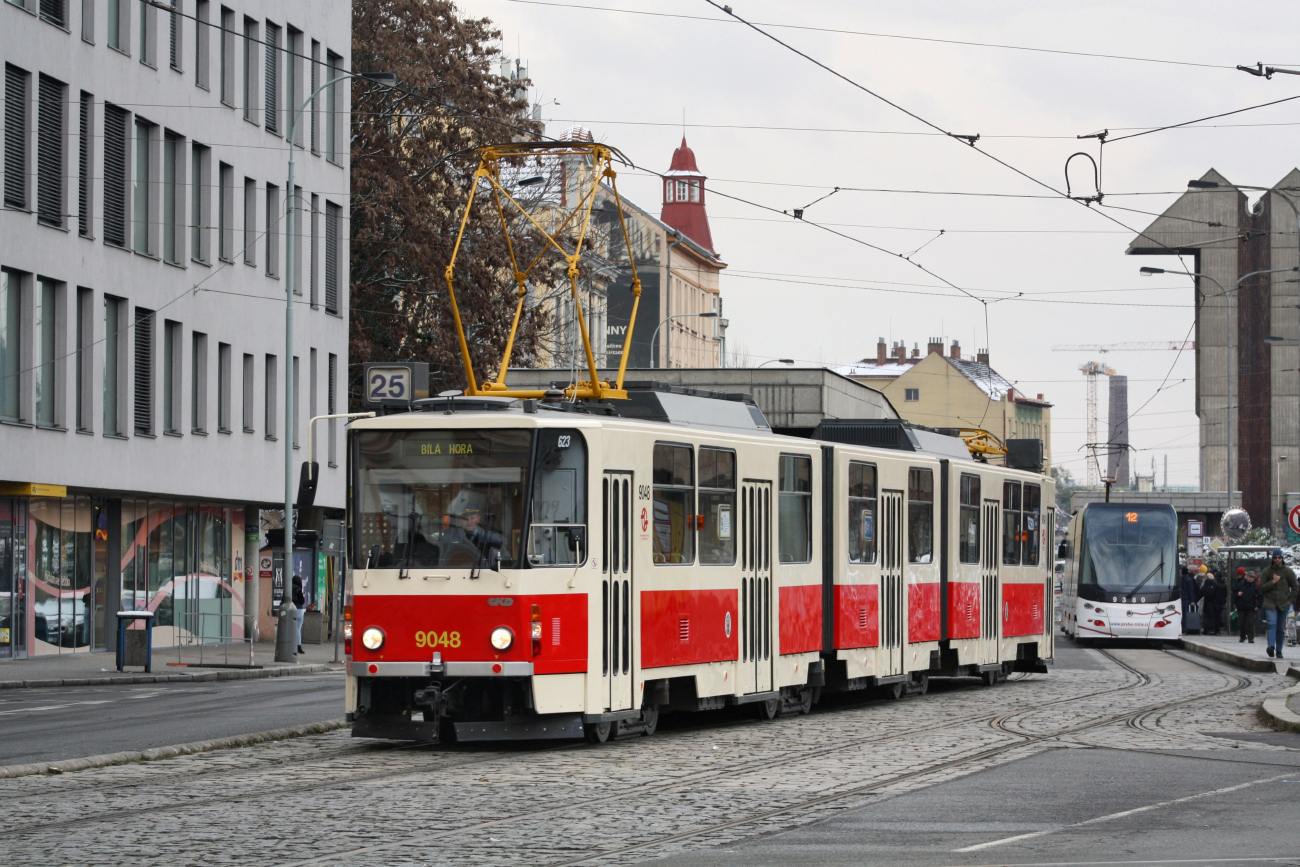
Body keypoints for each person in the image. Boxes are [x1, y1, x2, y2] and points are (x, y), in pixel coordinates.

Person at [1258, 548, 1297, 659]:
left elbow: (1295, 588)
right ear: (1273, 559)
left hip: (1284, 603)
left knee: (1280, 628)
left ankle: (1279, 650)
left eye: (1279, 558)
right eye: (1275, 558)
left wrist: (1290, 600)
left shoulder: (1288, 572)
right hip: (1270, 602)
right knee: (1272, 623)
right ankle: (1271, 646)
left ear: (1282, 558)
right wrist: (1272, 582)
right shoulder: (1267, 571)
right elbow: (1261, 587)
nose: (1277, 560)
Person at [1235, 570, 1262, 644]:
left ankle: (1251, 637)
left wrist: (1258, 606)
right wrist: (1237, 594)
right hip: (1241, 607)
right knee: (1241, 623)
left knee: (1250, 622)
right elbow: (1234, 593)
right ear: (1246, 577)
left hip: (1251, 607)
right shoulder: (1240, 584)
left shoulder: (1255, 586)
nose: (1251, 579)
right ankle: (1242, 636)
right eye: (1250, 577)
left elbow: (1260, 597)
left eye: (1252, 577)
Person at [1202, 568, 1226, 635]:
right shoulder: (1224, 584)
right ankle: (1217, 631)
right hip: (1220, 603)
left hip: (1212, 603)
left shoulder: (1212, 582)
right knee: (1218, 617)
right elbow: (1225, 594)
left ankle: (1211, 629)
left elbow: (1209, 592)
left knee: (1212, 617)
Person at [291, 573, 306, 655]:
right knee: (297, 629)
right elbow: (301, 601)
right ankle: (298, 647)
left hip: (290, 610)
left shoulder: (288, 589)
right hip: (298, 610)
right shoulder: (298, 589)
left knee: (291, 629)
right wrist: (302, 596)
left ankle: (292, 646)